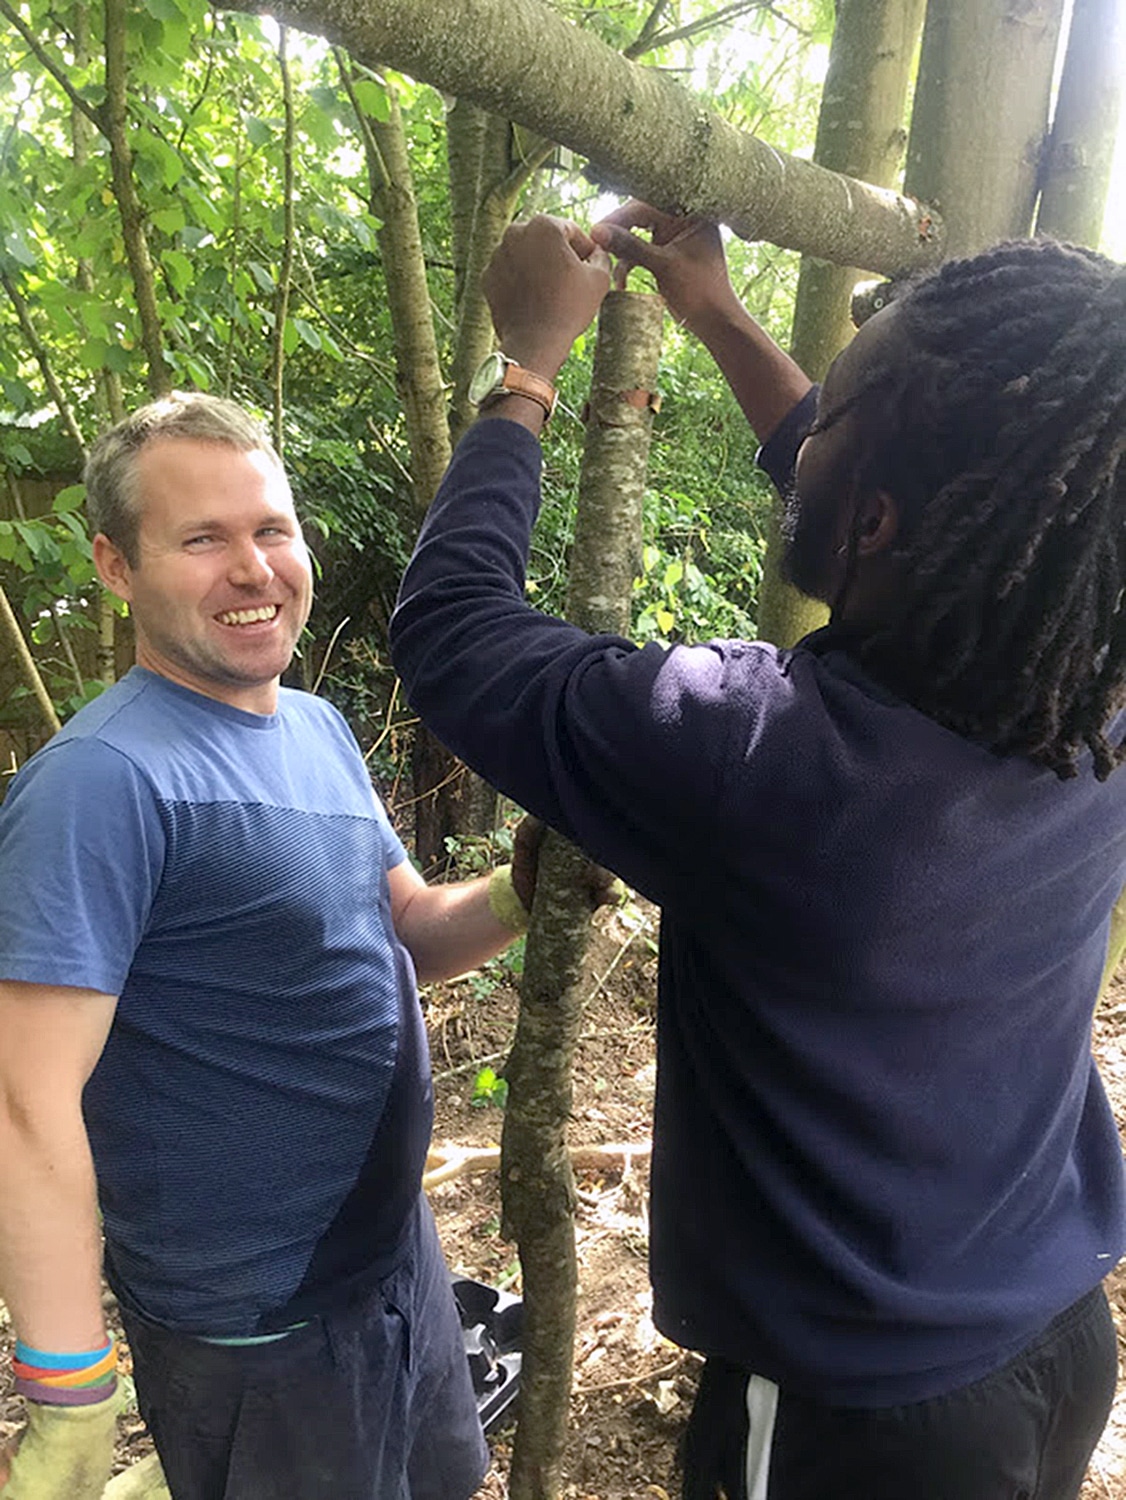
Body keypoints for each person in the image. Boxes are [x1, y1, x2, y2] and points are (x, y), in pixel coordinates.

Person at [388, 206, 1126, 1500]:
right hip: (1051, 1327)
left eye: (829, 412)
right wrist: (718, 317)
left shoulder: (754, 760)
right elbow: (893, 498)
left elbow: (450, 629)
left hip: (859, 1415)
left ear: (880, 524)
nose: (803, 434)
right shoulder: (1083, 690)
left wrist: (527, 371)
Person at [0, 392, 546, 1500]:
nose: (252, 568)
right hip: (257, 1329)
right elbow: (23, 1099)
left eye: (270, 529)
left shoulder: (315, 727)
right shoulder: (100, 783)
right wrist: (67, 1384)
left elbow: (400, 931)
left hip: (395, 1261)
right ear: (116, 566)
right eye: (202, 539)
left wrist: (519, 889)